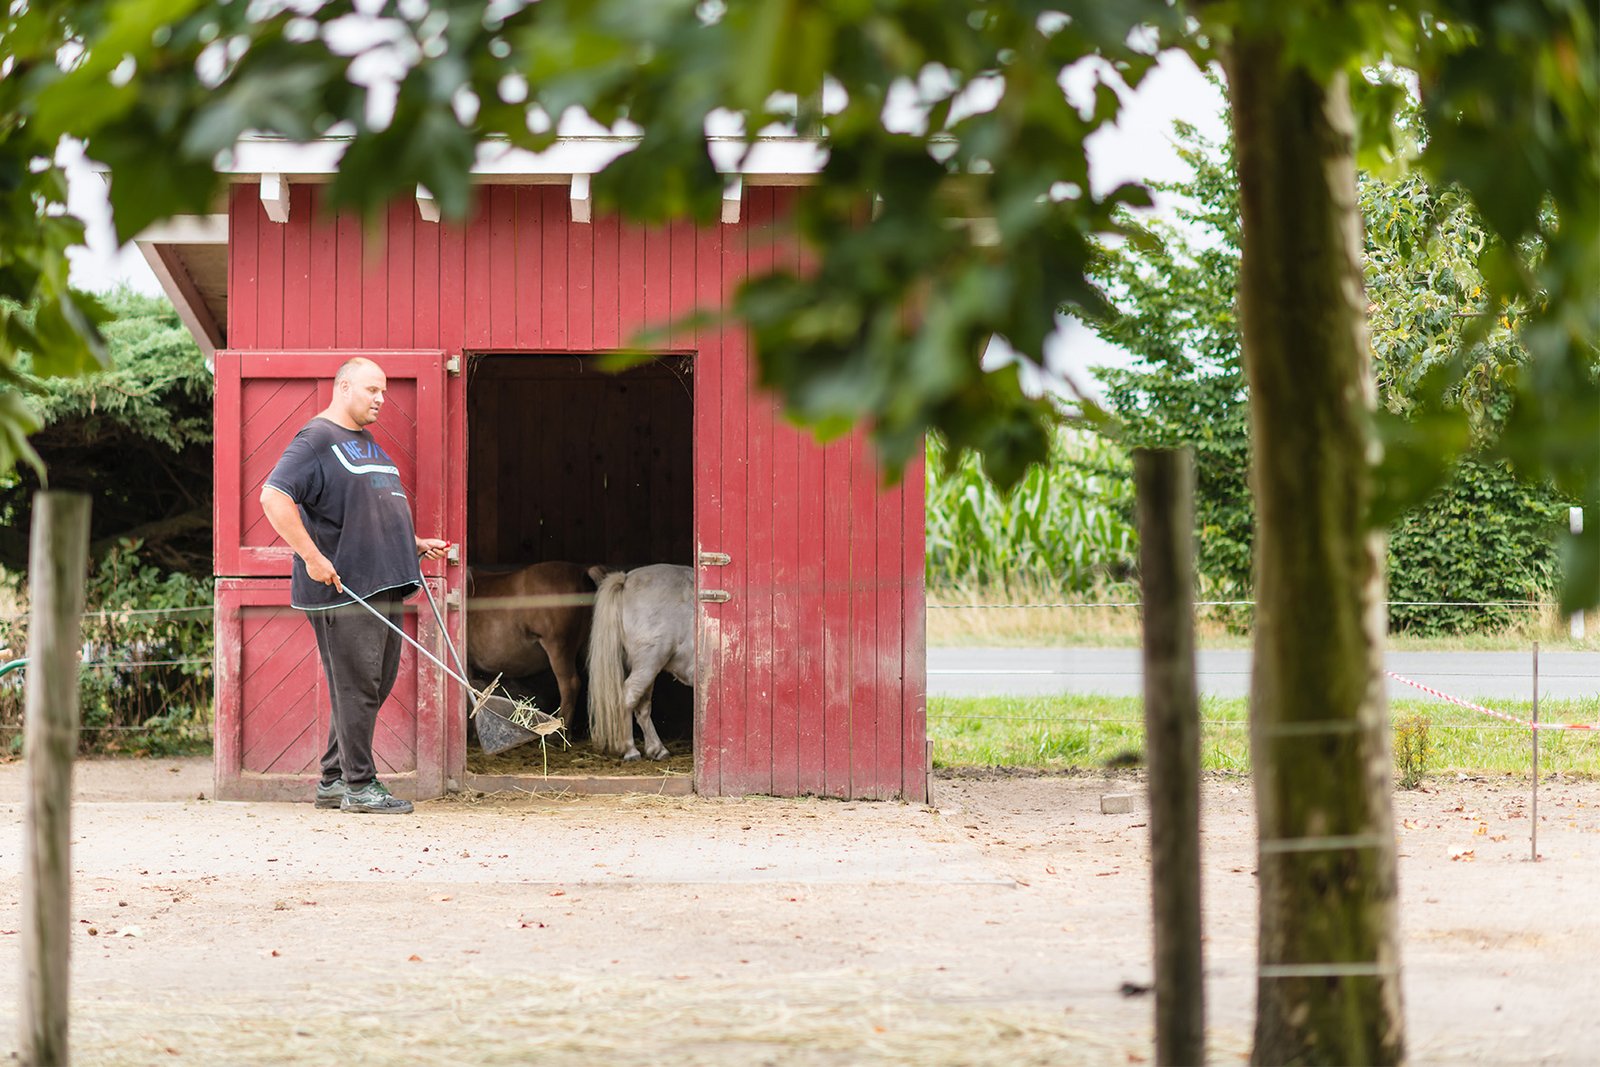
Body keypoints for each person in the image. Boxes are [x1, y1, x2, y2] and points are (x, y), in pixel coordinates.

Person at [259, 357, 449, 814]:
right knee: (357, 685)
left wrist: (413, 541)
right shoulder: (316, 439)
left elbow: (362, 508)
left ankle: (333, 778)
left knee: (372, 684)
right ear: (344, 387)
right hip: (344, 587)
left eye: (383, 391)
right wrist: (311, 555)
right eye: (372, 390)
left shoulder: (364, 443)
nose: (381, 400)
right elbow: (274, 495)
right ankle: (360, 786)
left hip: (381, 580)